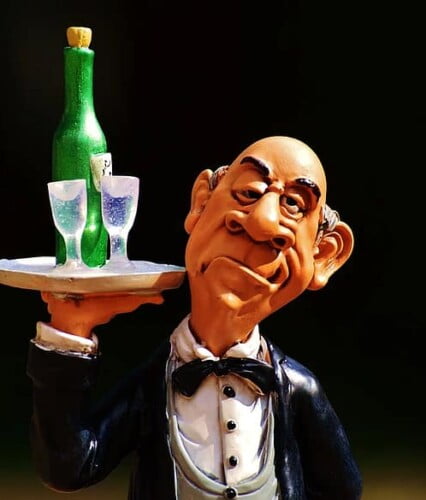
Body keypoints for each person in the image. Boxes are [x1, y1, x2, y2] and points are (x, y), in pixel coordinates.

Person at [27, 136, 363, 499]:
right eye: (250, 192)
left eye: (293, 205)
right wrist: (70, 331)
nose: (263, 222)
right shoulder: (155, 385)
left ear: (323, 255)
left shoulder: (297, 389)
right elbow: (70, 466)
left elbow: (341, 490)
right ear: (201, 202)